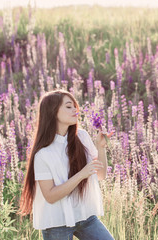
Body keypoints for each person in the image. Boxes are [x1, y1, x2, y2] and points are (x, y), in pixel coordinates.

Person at [19, 90, 114, 240]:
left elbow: (100, 175)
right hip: (56, 222)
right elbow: (50, 196)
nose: (75, 110)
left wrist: (100, 148)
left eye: (75, 106)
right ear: (53, 112)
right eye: (69, 107)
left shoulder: (82, 137)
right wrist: (82, 174)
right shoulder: (43, 154)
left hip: (84, 216)